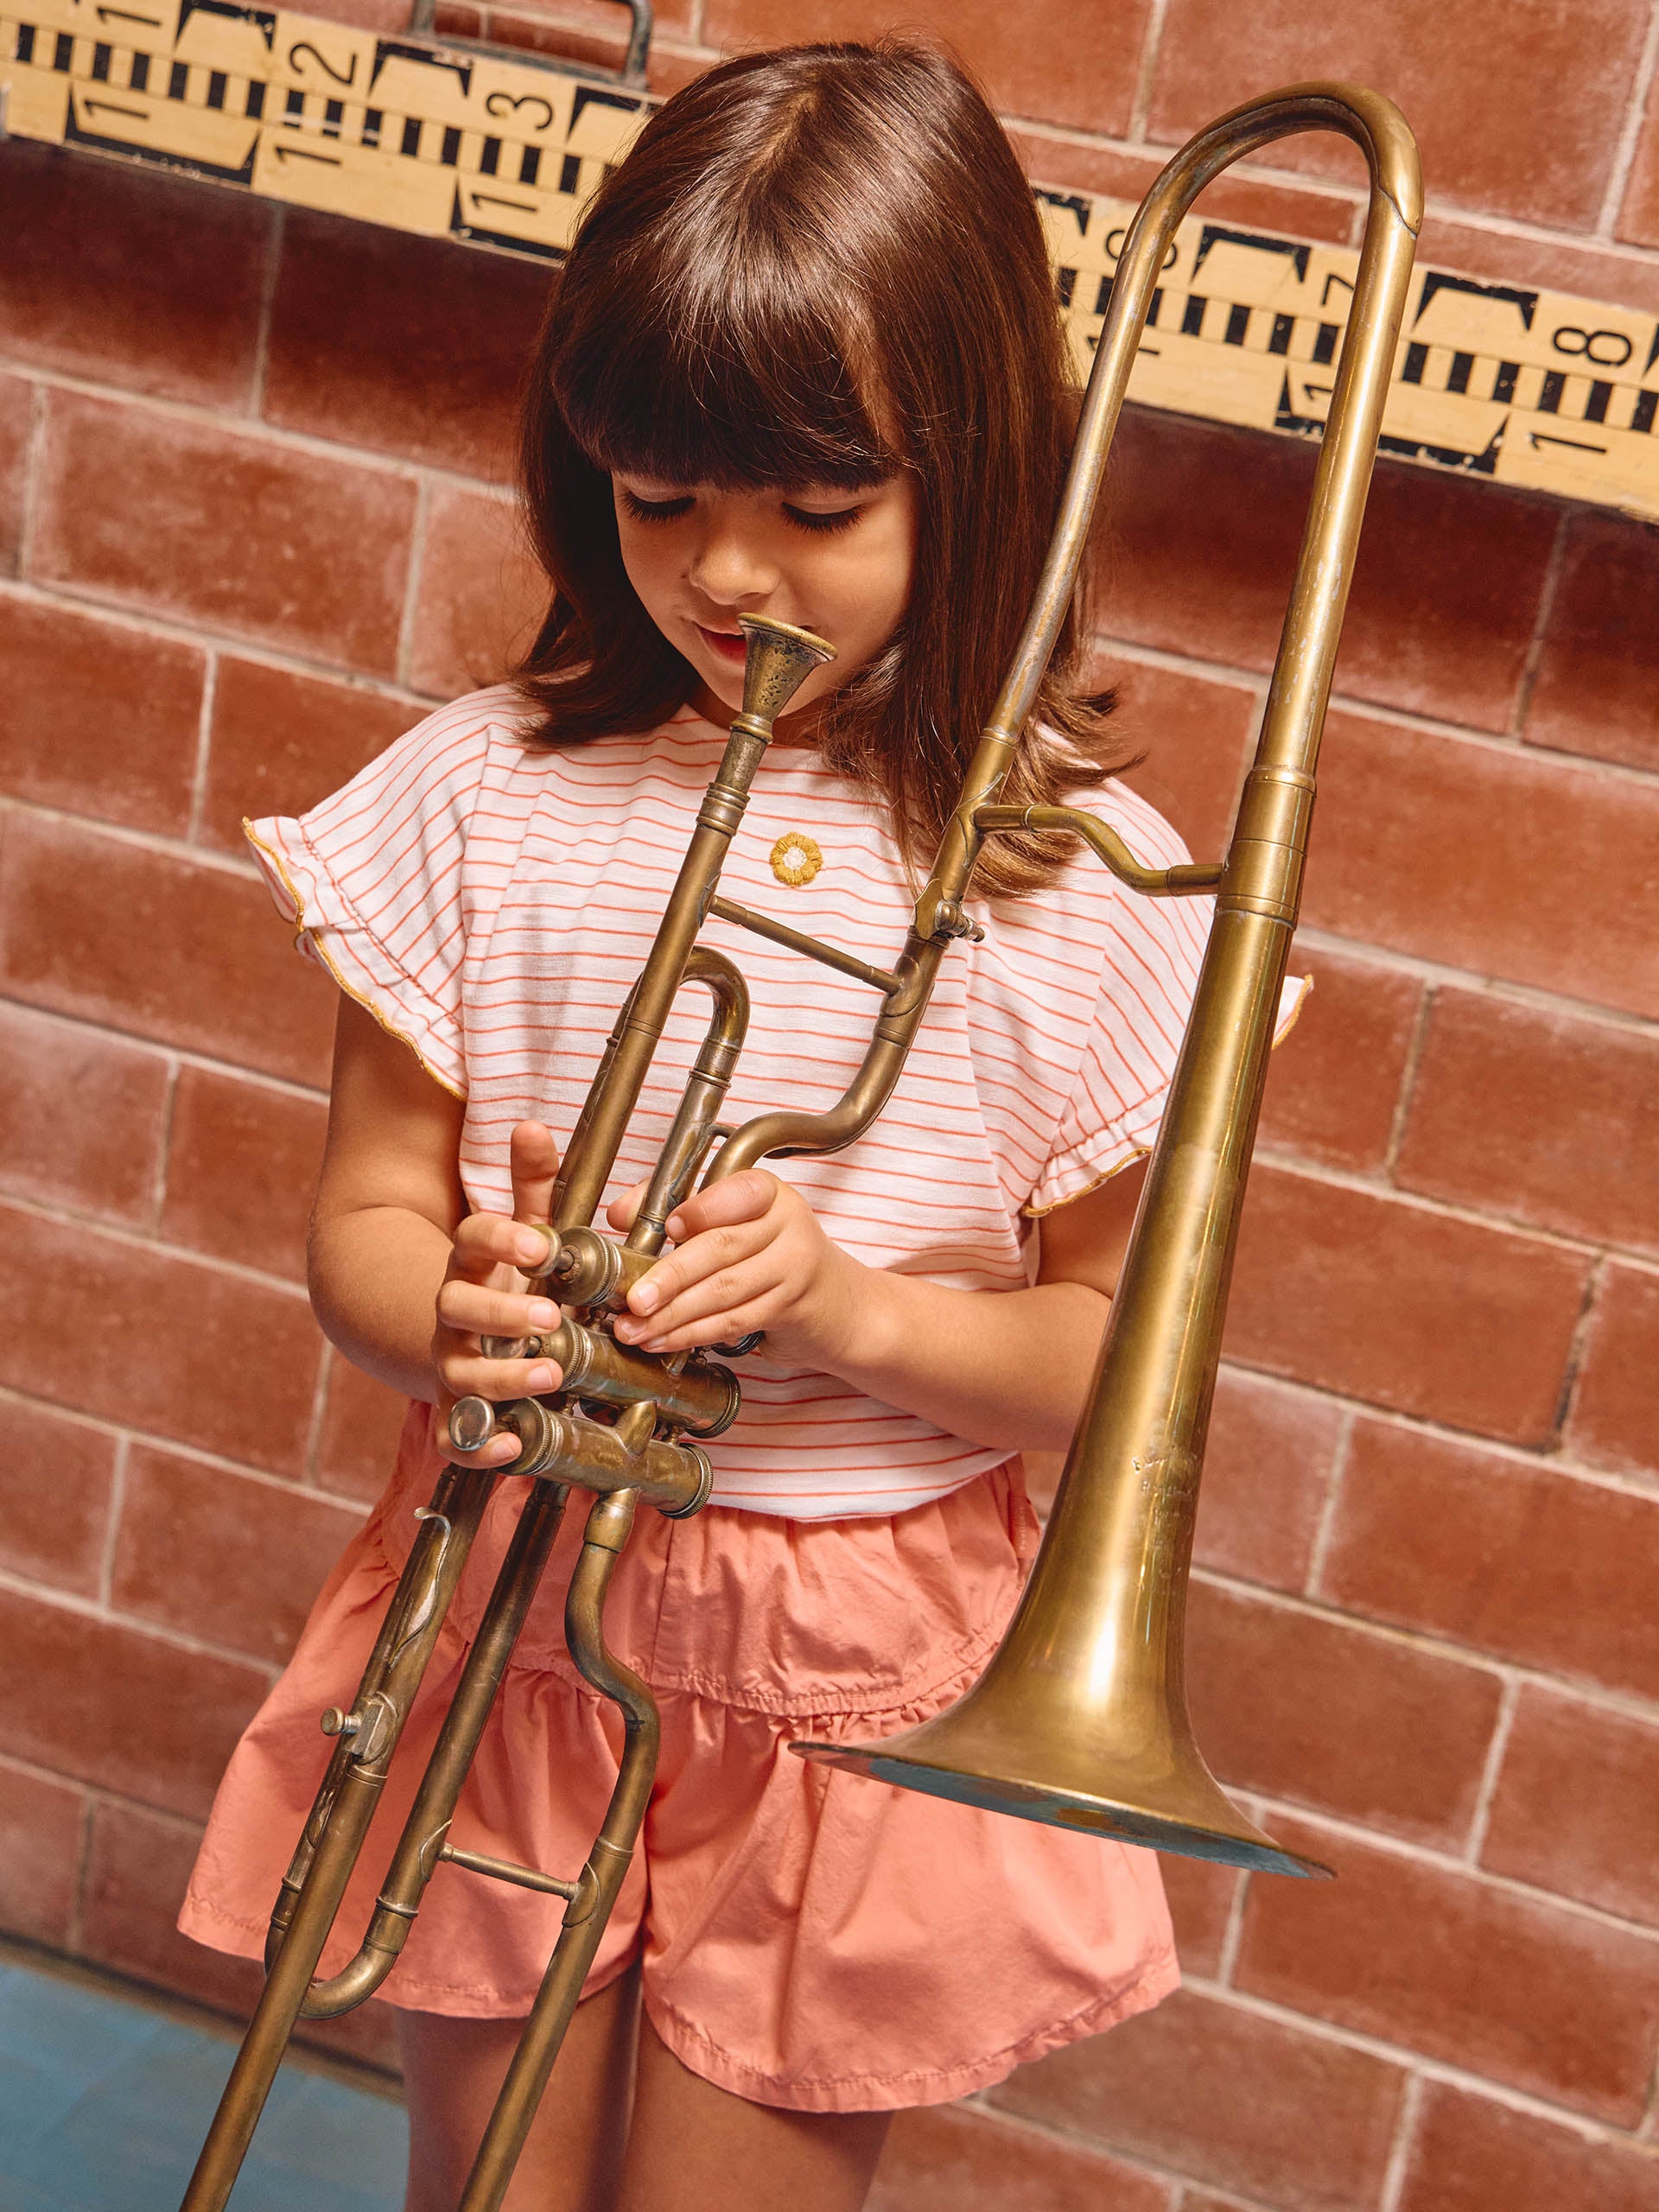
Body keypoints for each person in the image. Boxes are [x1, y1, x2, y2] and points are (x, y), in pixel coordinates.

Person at [181, 38, 1275, 2212]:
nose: (729, 578)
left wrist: (856, 1305)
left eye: (819, 505)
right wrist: (454, 1295)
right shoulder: (490, 790)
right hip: (509, 1597)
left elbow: (1113, 1370)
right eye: (659, 494)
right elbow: (367, 1219)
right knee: (476, 2188)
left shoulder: (1092, 878)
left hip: (848, 1657)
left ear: (979, 469)